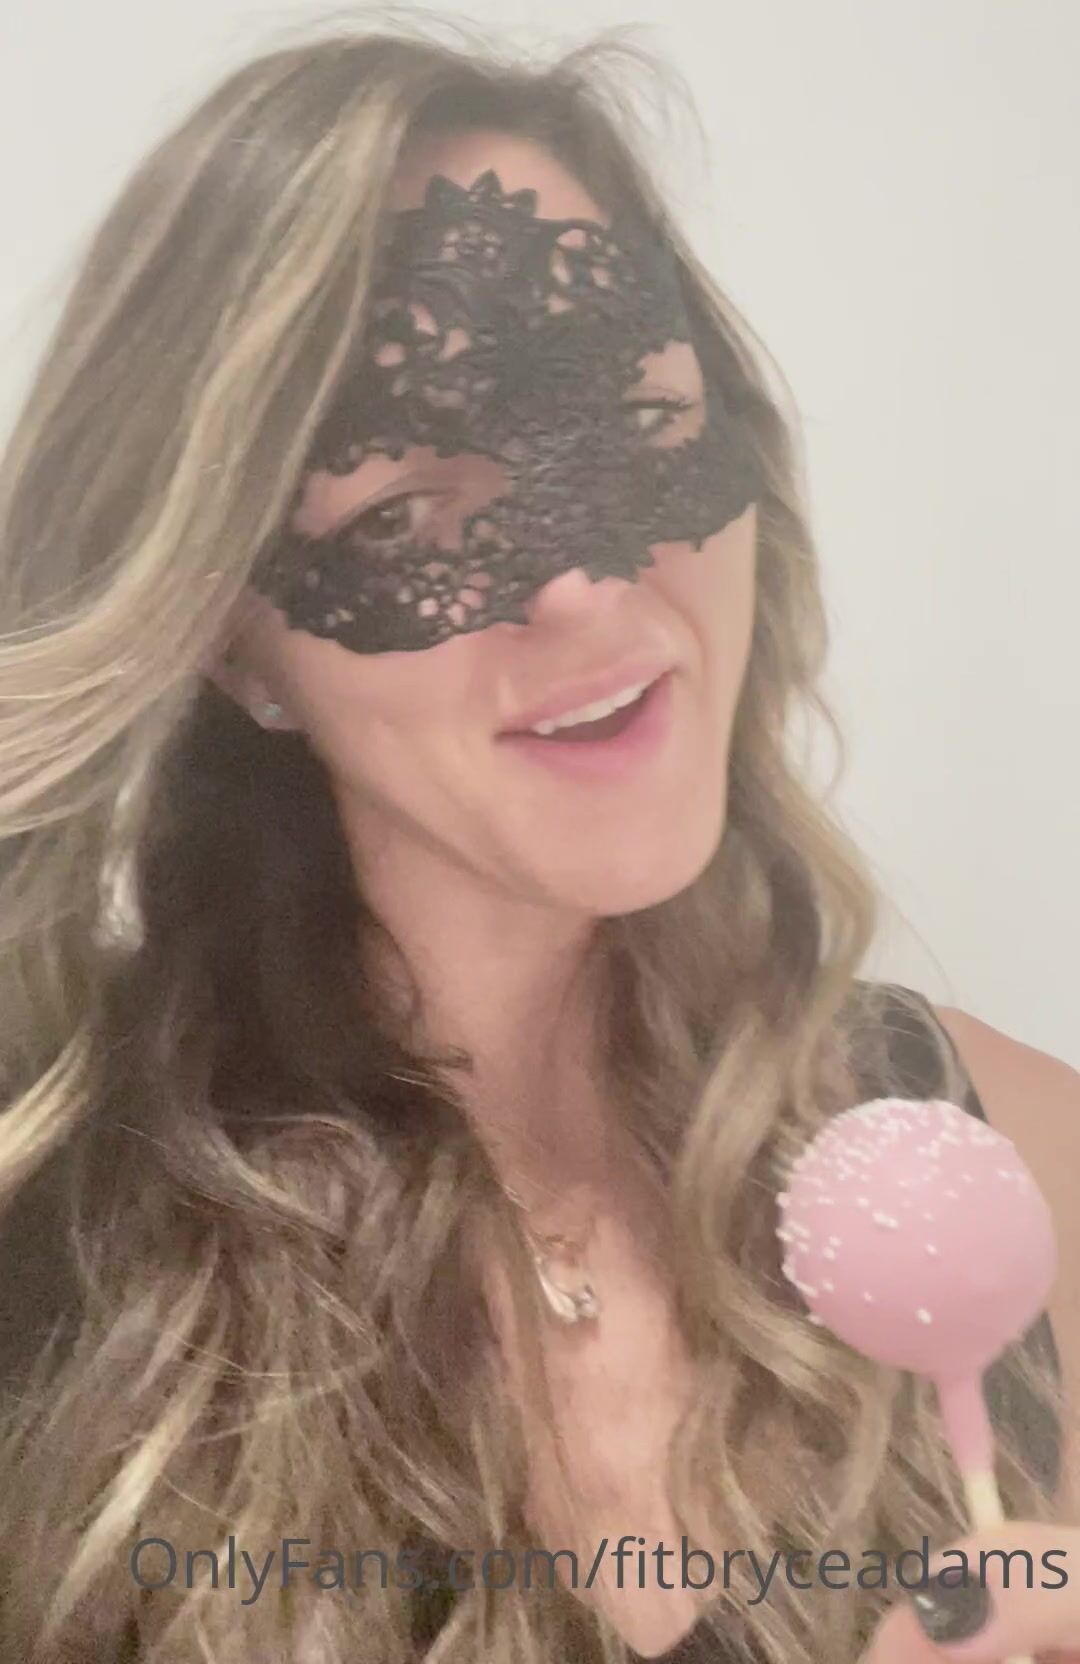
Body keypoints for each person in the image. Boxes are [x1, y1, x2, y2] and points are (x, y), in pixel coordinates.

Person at [0, 22, 1076, 1664]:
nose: (584, 588)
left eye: (634, 428)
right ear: (230, 638)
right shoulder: (59, 1271)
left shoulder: (1001, 1157)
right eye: (403, 518)